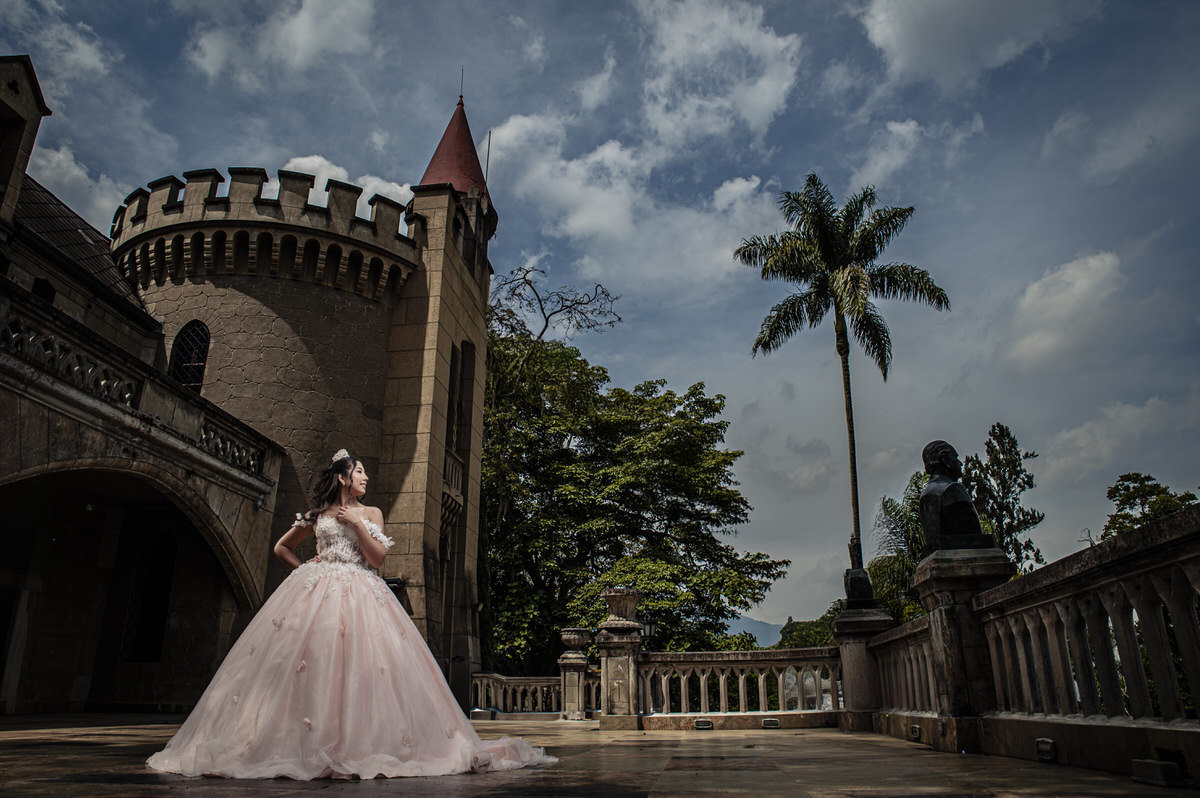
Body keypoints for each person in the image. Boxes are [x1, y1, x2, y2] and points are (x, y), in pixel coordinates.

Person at [147, 450, 556, 779]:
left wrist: (355, 524)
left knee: (362, 667)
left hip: (362, 591)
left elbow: (377, 560)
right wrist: (308, 569)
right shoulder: (317, 515)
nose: (364, 478)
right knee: (307, 666)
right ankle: (298, 744)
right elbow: (281, 548)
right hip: (317, 594)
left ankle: (356, 746)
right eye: (359, 472)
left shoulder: (372, 513)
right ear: (343, 477)